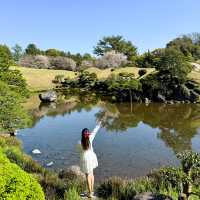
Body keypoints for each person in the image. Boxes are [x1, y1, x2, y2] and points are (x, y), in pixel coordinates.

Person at [80, 121, 102, 198]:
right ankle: (91, 191)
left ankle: (90, 193)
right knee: (92, 175)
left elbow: (79, 151)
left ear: (82, 135)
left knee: (87, 176)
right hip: (92, 158)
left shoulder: (79, 142)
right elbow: (95, 131)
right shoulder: (90, 138)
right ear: (88, 134)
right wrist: (99, 124)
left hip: (85, 159)